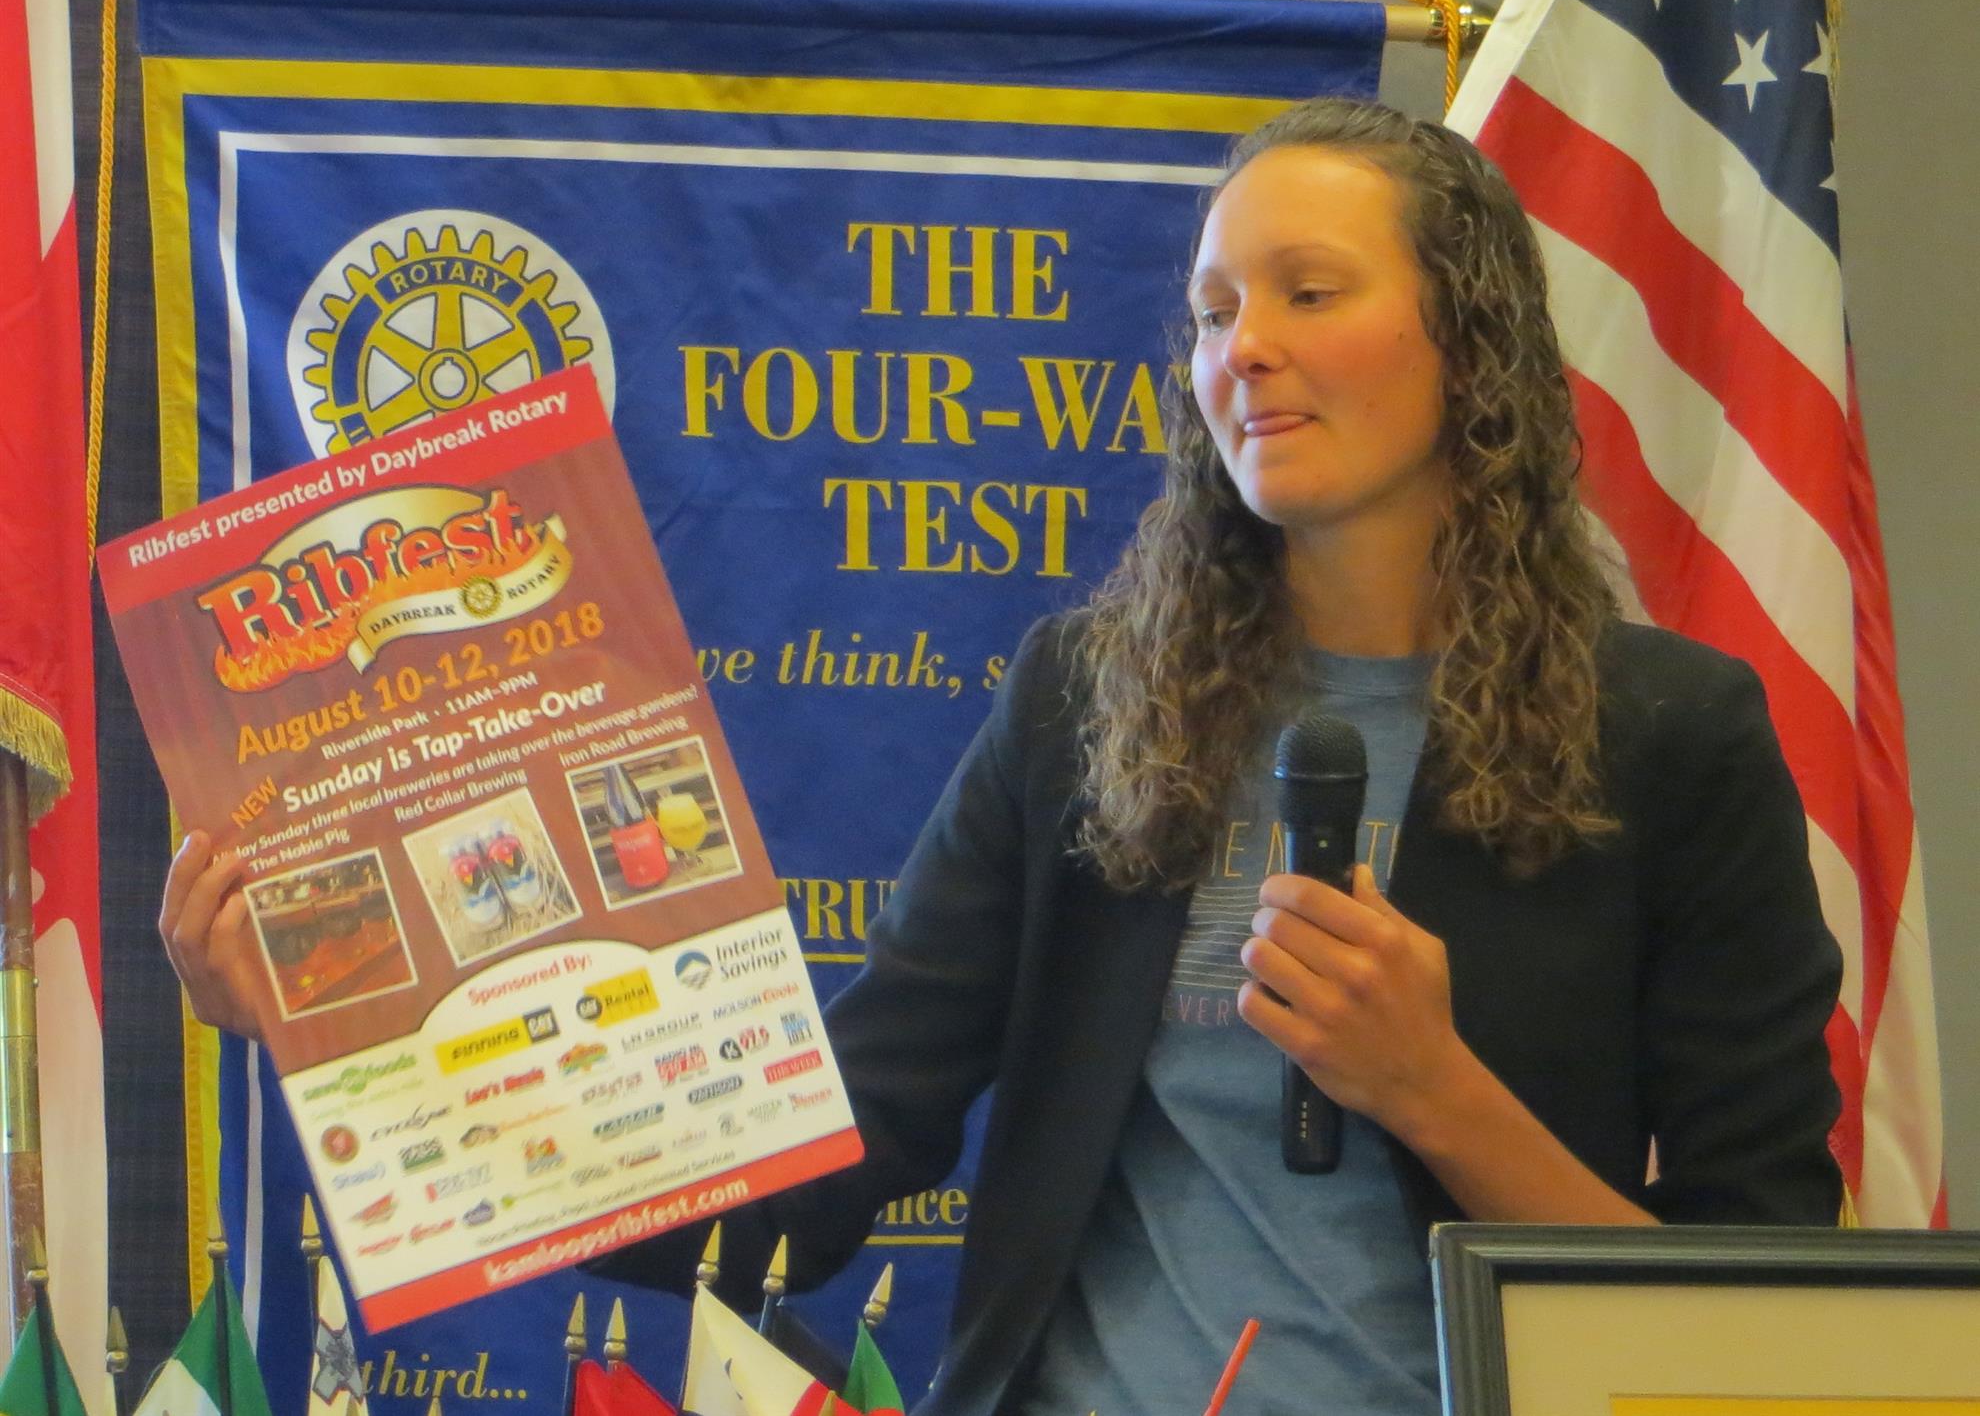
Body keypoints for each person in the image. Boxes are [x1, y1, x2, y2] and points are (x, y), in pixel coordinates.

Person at [160, 98, 1844, 1416]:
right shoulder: (1088, 700)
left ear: (1468, 339)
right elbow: (825, 1161)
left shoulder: (1674, 738)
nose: (1240, 347)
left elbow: (1761, 1307)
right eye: (1211, 310)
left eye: (1308, 293)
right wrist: (356, 1039)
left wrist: (1435, 1089)